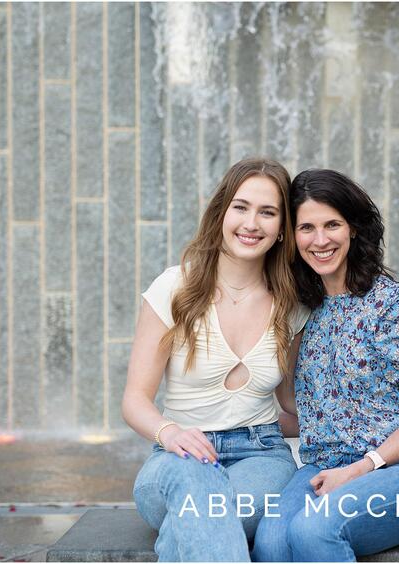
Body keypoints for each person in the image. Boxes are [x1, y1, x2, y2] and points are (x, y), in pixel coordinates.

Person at [252, 169, 399, 562]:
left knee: (314, 531)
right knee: (271, 544)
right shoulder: (304, 311)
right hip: (325, 467)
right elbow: (298, 409)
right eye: (306, 227)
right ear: (291, 237)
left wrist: (361, 469)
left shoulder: (395, 306)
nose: (320, 239)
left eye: (332, 225)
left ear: (354, 230)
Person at [122, 158, 307, 562]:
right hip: (177, 457)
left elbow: (293, 406)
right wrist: (170, 433)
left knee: (199, 515)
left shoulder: (292, 305)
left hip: (262, 455)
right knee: (196, 489)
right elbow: (135, 400)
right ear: (221, 211)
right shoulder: (174, 287)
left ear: (281, 230)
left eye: (268, 212)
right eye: (240, 207)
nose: (251, 222)